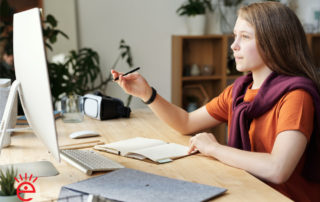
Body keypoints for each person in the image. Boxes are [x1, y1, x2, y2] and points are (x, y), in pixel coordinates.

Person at [111, 2, 320, 201]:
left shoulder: (296, 97)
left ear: (274, 43)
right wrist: (147, 94)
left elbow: (277, 169)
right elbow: (186, 122)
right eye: (234, 36)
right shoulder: (238, 92)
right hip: (251, 191)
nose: (233, 46)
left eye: (245, 37)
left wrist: (214, 148)